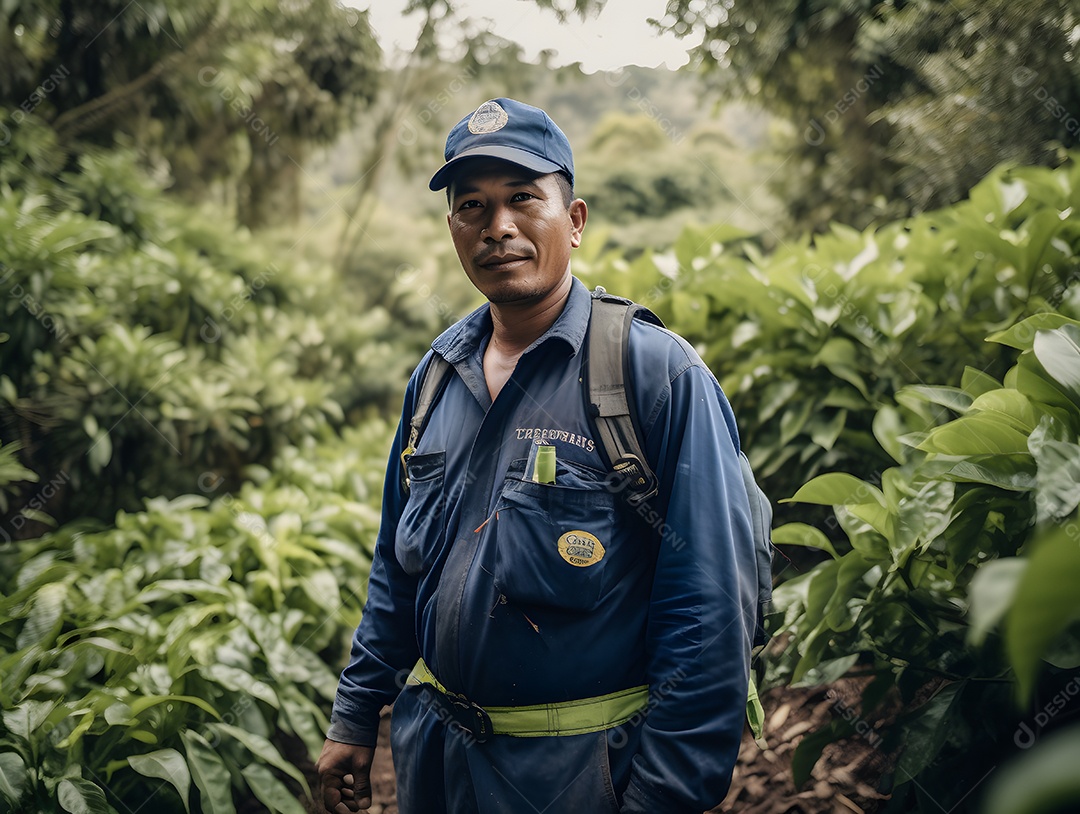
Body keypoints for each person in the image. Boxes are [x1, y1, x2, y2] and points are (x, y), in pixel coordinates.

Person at [316, 97, 758, 814]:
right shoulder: (435, 377)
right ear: (453, 226)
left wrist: (663, 798)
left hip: (579, 780)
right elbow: (397, 571)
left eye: (523, 198)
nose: (498, 227)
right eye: (472, 206)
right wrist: (356, 713)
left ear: (575, 220)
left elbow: (709, 622)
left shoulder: (654, 376)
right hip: (436, 768)